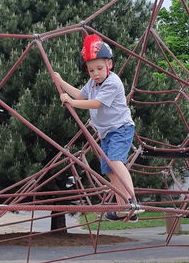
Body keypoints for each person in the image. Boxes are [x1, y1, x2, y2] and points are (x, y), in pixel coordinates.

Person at [54, 34, 144, 222]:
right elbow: (80, 95)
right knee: (110, 171)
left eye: (99, 68)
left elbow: (95, 103)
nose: (95, 73)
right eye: (91, 70)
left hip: (121, 128)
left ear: (109, 65)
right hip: (106, 133)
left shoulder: (112, 82)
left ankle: (132, 201)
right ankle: (123, 207)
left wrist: (70, 101)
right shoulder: (93, 83)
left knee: (115, 161)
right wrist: (61, 82)